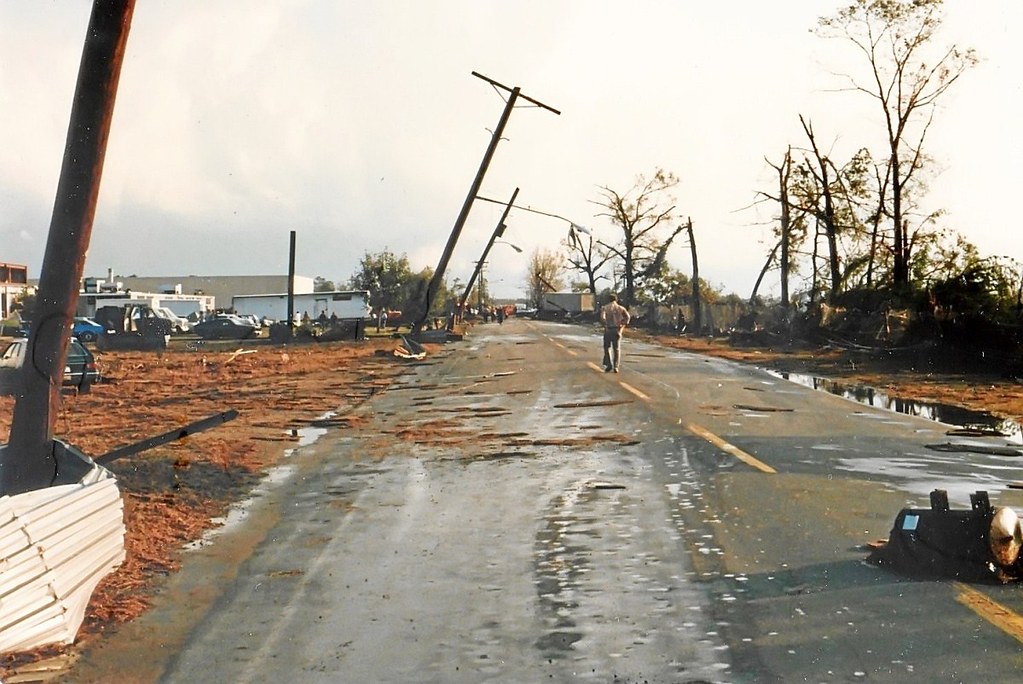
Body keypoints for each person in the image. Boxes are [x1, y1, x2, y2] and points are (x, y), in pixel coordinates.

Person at [600, 293, 631, 373]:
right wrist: (622, 325)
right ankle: (616, 367)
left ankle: (609, 364)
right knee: (616, 349)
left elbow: (602, 318)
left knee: (607, 348)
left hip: (608, 330)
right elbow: (627, 317)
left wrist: (605, 325)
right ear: (616, 300)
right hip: (617, 330)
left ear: (608, 300)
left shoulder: (605, 308)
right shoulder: (621, 308)